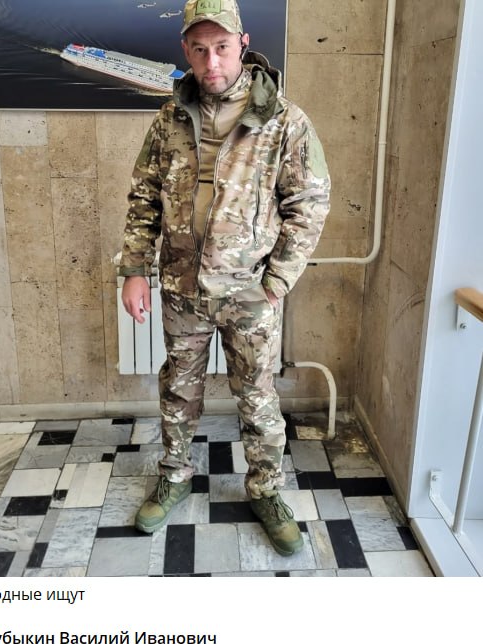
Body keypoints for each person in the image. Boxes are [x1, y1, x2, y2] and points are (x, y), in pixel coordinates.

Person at [119, 0, 330, 556]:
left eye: (221, 47)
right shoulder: (169, 118)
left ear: (243, 43)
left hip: (249, 292)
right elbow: (143, 198)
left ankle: (266, 490)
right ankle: (174, 475)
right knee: (178, 389)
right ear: (184, 51)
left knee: (257, 396)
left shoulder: (285, 120)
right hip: (182, 288)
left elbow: (308, 206)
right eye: (199, 49)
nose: (210, 62)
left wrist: (276, 282)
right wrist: (134, 270)